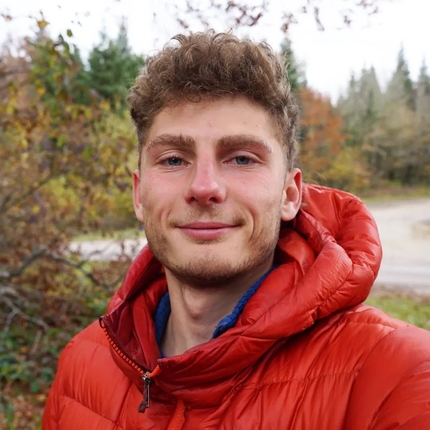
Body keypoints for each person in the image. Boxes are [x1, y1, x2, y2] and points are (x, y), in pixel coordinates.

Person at [42, 31, 430, 430]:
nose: (204, 187)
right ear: (140, 196)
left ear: (290, 194)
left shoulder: (400, 379)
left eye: (242, 159)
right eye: (174, 159)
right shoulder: (80, 365)